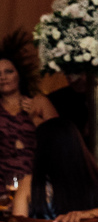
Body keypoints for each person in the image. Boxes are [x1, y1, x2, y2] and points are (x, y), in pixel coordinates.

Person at [0, 29, 57, 182]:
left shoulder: (39, 102)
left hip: (36, 182)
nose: (3, 77)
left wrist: (35, 119)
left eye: (8, 72)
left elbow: (60, 142)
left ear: (19, 74)